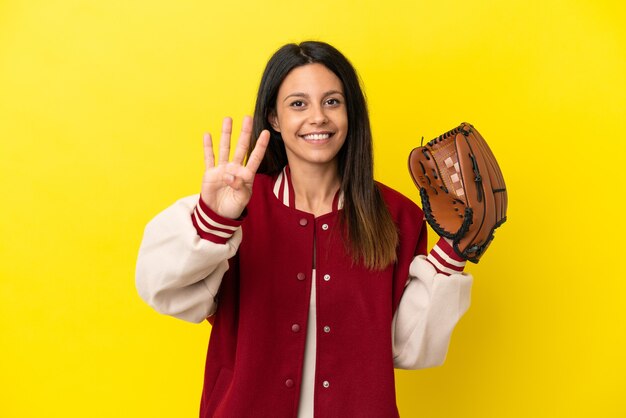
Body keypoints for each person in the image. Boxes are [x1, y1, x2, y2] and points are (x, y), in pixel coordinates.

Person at [136, 41, 473, 418]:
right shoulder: (235, 205)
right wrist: (214, 222)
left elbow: (407, 348)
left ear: (350, 113)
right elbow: (163, 291)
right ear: (275, 119)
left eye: (332, 102)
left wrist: (454, 252)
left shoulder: (397, 216)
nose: (318, 117)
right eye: (298, 104)